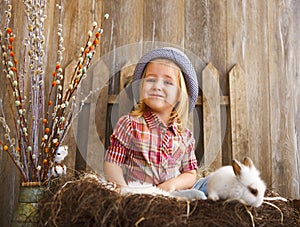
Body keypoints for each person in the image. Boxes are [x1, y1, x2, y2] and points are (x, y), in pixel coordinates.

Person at [104, 47, 202, 194]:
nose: (157, 86)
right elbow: (112, 163)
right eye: (150, 79)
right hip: (141, 195)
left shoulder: (184, 136)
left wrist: (172, 184)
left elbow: (190, 174)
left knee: (200, 191)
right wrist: (123, 190)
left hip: (172, 195)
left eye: (168, 83)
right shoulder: (130, 125)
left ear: (180, 95)